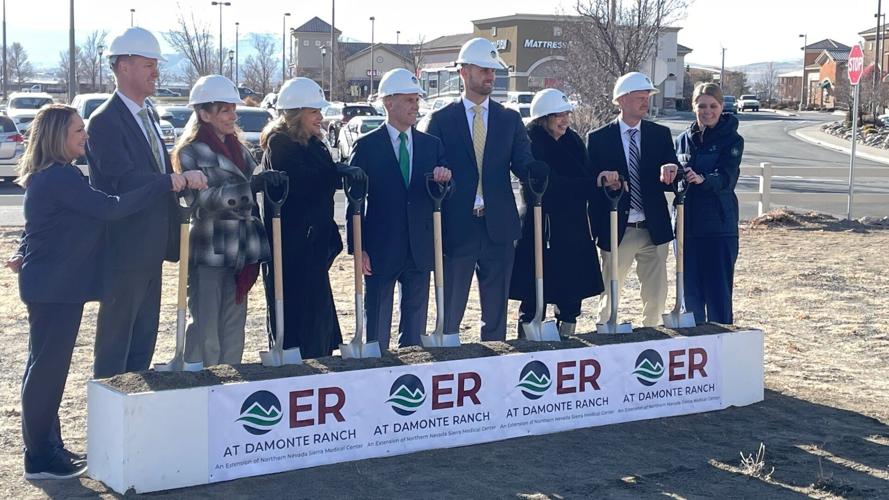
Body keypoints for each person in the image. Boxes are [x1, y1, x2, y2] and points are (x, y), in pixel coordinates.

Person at [8, 105, 186, 479]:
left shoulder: (60, 175)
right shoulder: (59, 178)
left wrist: (21, 250)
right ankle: (39, 457)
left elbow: (39, 226)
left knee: (44, 368)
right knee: (46, 372)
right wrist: (163, 183)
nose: (84, 136)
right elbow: (110, 209)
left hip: (55, 285)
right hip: (55, 288)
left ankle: (47, 446)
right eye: (77, 132)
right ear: (58, 137)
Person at [86, 27, 208, 378]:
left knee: (142, 343)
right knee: (116, 347)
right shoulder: (105, 121)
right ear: (123, 66)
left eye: (156, 64)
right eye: (148, 64)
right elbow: (122, 179)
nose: (156, 72)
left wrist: (175, 180)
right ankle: (110, 414)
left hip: (151, 246)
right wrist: (173, 180)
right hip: (125, 248)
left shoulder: (148, 113)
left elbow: (154, 168)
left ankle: (134, 412)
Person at [420, 37, 544, 341]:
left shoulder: (509, 119)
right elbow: (428, 170)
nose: (491, 76)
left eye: (493, 70)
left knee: (496, 315)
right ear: (464, 72)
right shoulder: (440, 120)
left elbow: (523, 162)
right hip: (456, 227)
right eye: (483, 70)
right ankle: (448, 363)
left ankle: (495, 367)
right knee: (449, 312)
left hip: (499, 227)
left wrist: (536, 170)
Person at [172, 75, 286, 366]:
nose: (232, 116)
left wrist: (265, 183)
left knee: (234, 328)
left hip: (243, 251)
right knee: (206, 329)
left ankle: (230, 381)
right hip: (210, 248)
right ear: (203, 113)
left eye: (232, 109)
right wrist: (249, 189)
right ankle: (200, 382)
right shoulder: (189, 152)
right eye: (224, 110)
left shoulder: (240, 148)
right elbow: (200, 200)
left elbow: (250, 184)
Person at [259, 77, 364, 358]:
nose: (320, 117)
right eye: (314, 112)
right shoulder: (279, 144)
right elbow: (302, 183)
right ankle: (296, 359)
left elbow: (324, 180)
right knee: (296, 315)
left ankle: (319, 354)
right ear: (296, 113)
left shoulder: (316, 145)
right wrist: (336, 172)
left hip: (315, 246)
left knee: (318, 317)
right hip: (290, 250)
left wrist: (341, 171)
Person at [347, 68, 452, 349]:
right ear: (388, 103)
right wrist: (358, 248)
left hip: (419, 247)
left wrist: (444, 180)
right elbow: (354, 199)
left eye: (416, 100)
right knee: (377, 322)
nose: (415, 106)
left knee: (416, 322)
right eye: (408, 100)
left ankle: (411, 370)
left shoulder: (432, 145)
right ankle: (375, 371)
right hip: (381, 247)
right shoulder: (366, 147)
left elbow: (442, 194)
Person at [510, 89, 619, 337]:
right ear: (543, 118)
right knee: (533, 296)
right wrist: (593, 184)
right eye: (558, 116)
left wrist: (604, 182)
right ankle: (528, 342)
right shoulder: (530, 144)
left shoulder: (573, 141)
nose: (565, 121)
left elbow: (587, 174)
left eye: (567, 114)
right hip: (540, 228)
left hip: (574, 229)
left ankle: (567, 339)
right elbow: (551, 185)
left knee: (571, 296)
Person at [587, 72, 680, 327]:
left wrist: (672, 169)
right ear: (622, 100)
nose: (645, 103)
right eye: (640, 97)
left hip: (654, 228)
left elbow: (675, 174)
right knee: (610, 294)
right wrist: (605, 183)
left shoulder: (660, 134)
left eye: (647, 97)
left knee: (656, 294)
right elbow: (591, 187)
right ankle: (605, 335)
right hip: (618, 229)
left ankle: (651, 335)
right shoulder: (598, 139)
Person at [674, 82, 743, 324]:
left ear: (722, 107)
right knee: (689, 298)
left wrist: (704, 179)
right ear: (693, 107)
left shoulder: (732, 140)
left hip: (718, 230)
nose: (707, 111)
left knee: (718, 298)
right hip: (686, 229)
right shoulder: (682, 140)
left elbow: (727, 177)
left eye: (713, 105)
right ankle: (693, 352)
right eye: (701, 105)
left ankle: (721, 350)